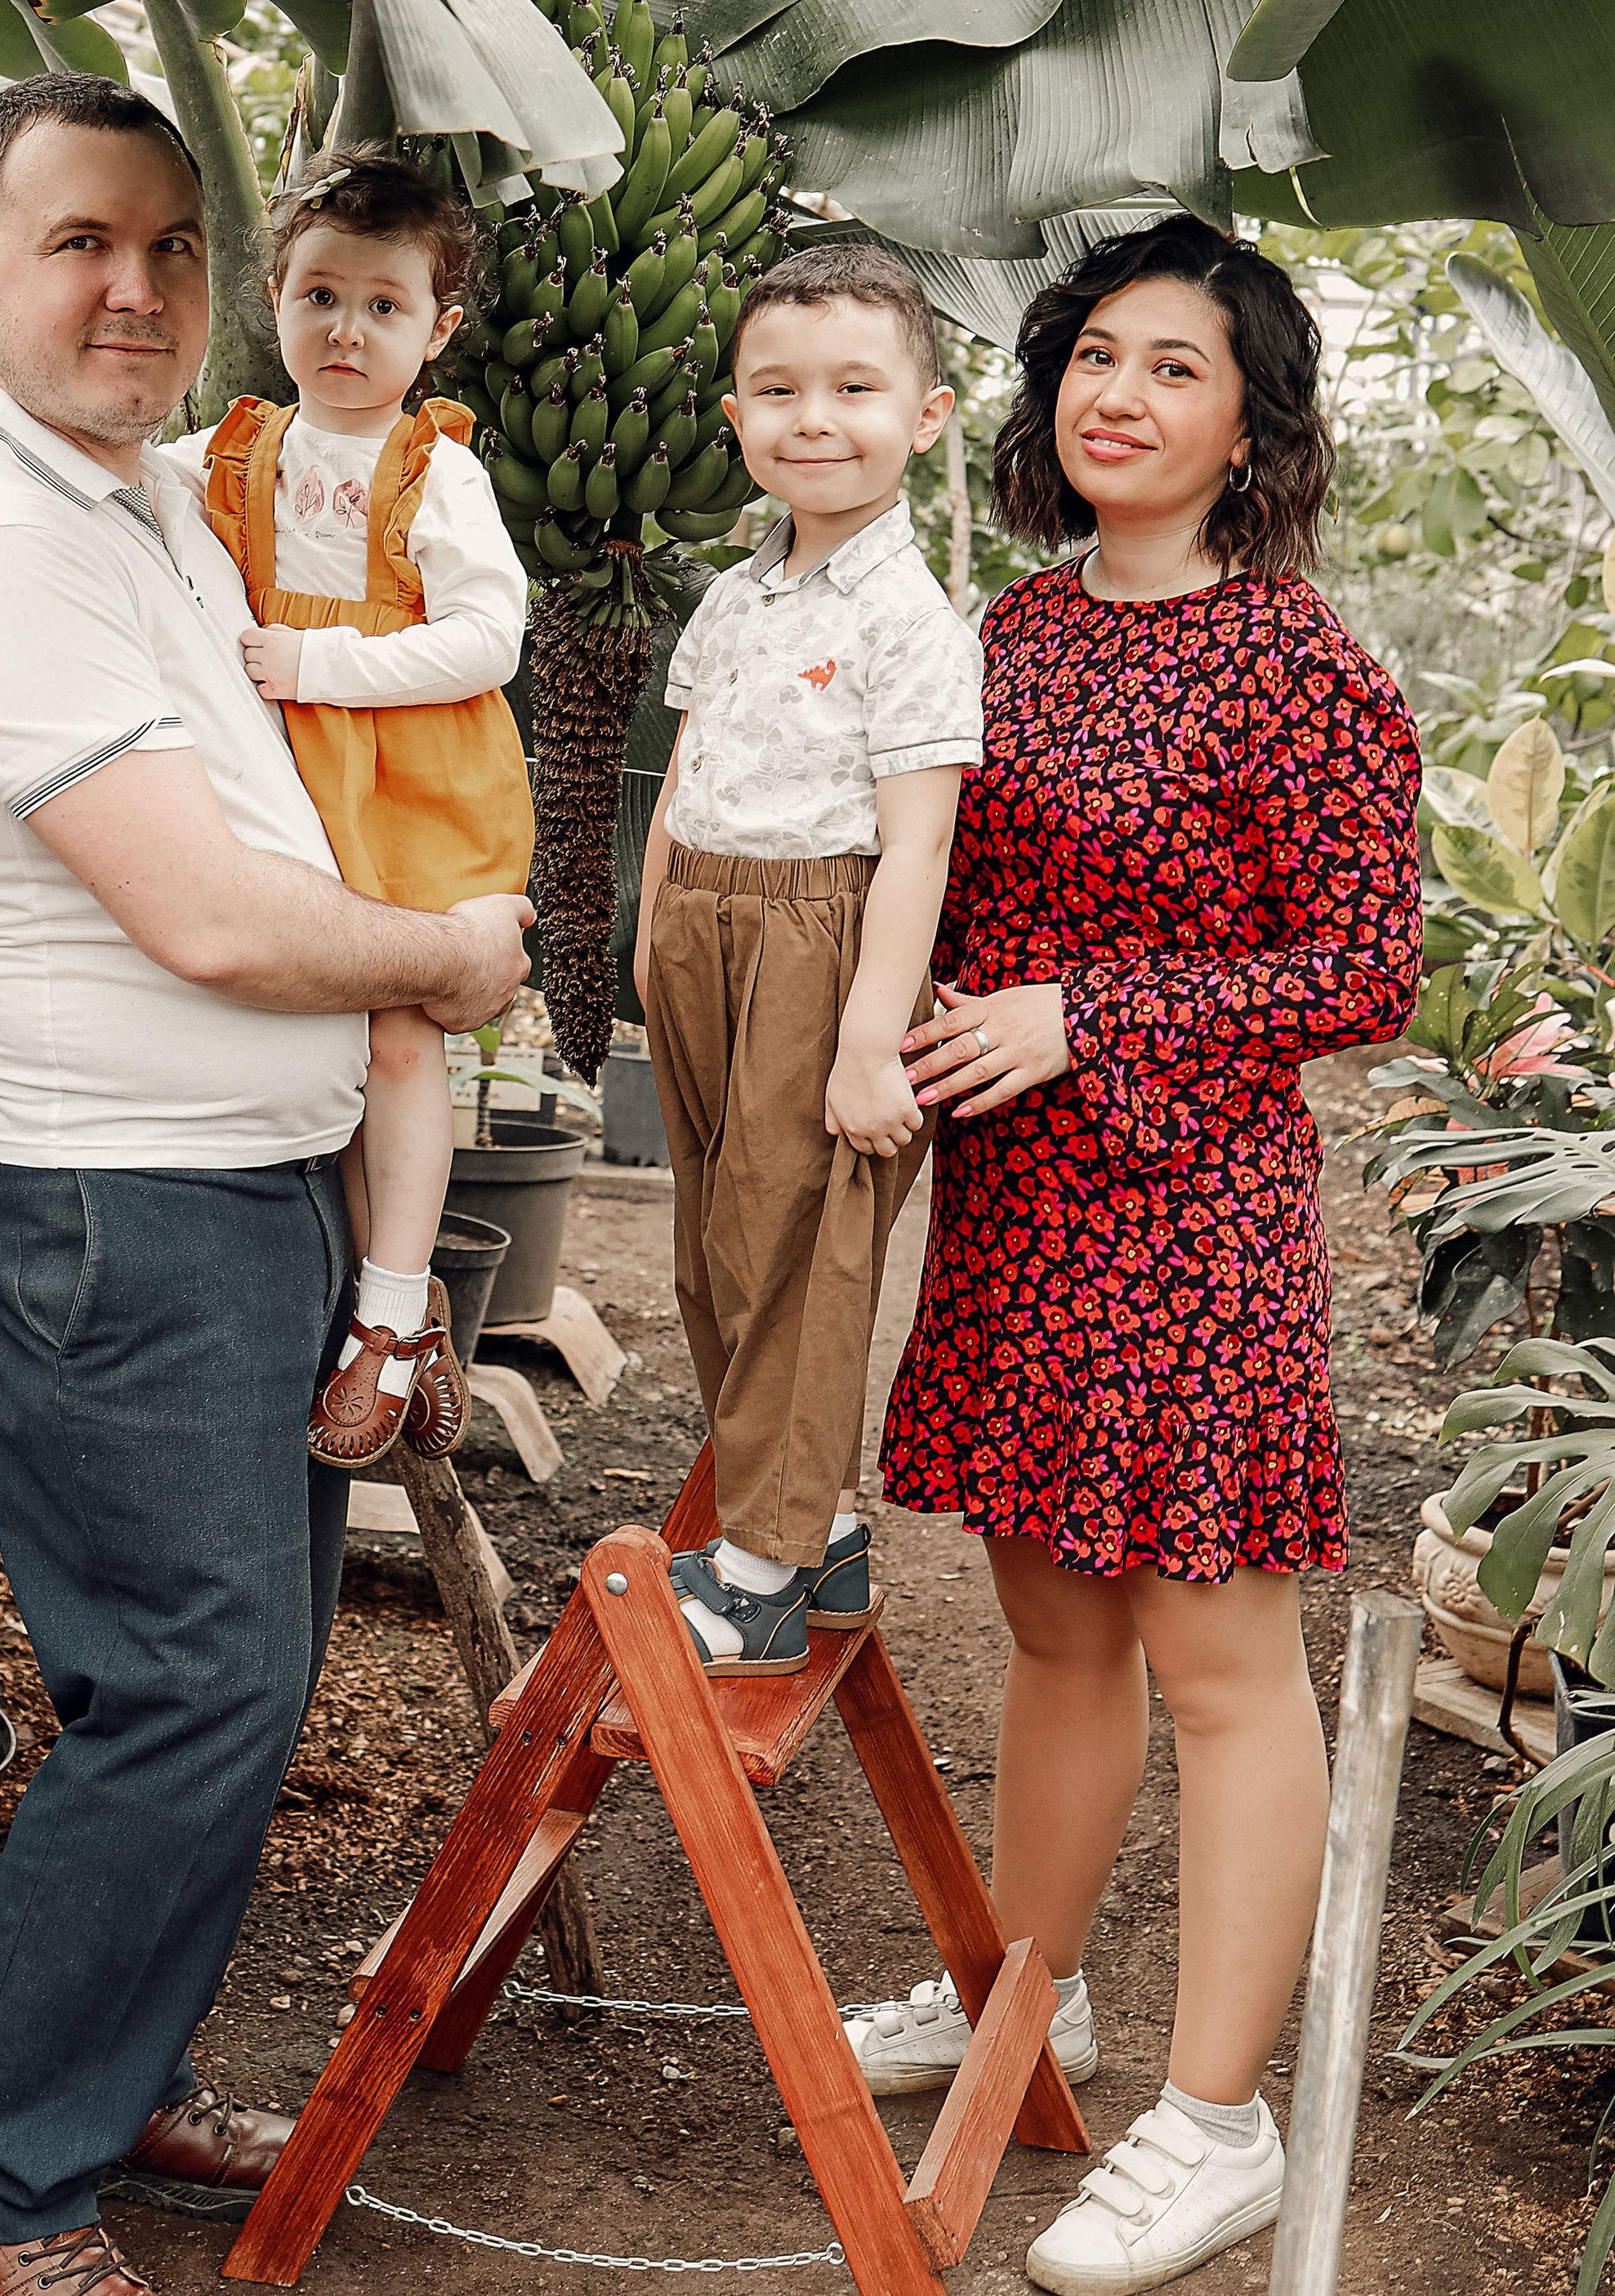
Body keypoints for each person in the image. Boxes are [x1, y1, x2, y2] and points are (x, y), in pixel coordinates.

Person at [0, 73, 532, 2296]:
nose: (134, 288)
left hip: (230, 1189)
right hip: (113, 1203)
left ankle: (99, 2079)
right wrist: (448, 959)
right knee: (195, 1691)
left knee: (227, 1682)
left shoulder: (141, 493)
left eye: (168, 248)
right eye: (79, 243)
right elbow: (213, 921)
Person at [848, 220, 1422, 2295]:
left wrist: (1086, 1013)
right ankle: (1028, 1997)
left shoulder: (1300, 664)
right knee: (1053, 1633)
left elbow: (1365, 968)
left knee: (1216, 1664)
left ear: (1249, 423)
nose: (1120, 393)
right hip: (1013, 1214)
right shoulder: (1003, 630)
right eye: (1096, 354)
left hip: (1188, 1224)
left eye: (1176, 367)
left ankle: (1215, 2125)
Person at [630, 242, 984, 1673]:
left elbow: (919, 845)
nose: (814, 419)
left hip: (823, 941)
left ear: (927, 416)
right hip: (703, 930)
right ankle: (814, 1525)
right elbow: (686, 772)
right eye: (777, 391)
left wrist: (865, 1038)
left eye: (854, 388)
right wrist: (653, 928)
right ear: (736, 418)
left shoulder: (913, 621)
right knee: (718, 1247)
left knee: (798, 1250)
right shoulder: (735, 595)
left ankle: (763, 1572)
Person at [197, 148, 533, 1471]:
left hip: (410, 783)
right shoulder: (232, 450)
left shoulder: (433, 470)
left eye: (384, 307)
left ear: (436, 332)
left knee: (397, 1037)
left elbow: (488, 637)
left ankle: (388, 1320)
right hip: (290, 779)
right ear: (274, 300)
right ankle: (394, 1299)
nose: (347, 331)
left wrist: (320, 663)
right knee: (323, 1046)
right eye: (321, 297)